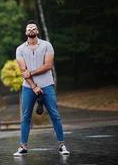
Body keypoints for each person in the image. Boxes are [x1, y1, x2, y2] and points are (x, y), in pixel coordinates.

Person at [13, 20, 70, 156]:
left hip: (47, 85)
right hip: (28, 87)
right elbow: (22, 70)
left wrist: (31, 73)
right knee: (25, 117)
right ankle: (23, 147)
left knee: (55, 115)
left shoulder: (47, 45)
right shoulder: (20, 49)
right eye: (29, 29)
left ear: (37, 31)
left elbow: (47, 66)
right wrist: (33, 87)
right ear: (26, 32)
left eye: (34, 28)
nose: (31, 30)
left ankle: (62, 145)